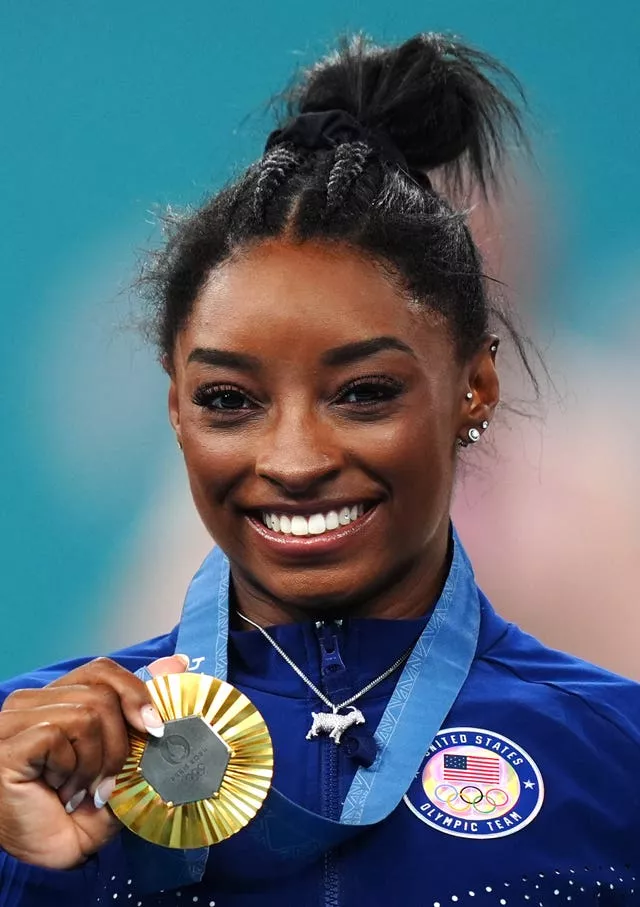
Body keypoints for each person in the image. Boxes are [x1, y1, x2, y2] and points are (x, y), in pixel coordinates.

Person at [1, 32, 639, 907]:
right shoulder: (31, 753)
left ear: (475, 385)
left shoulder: (618, 751)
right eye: (228, 399)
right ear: (174, 406)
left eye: (364, 391)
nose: (295, 461)